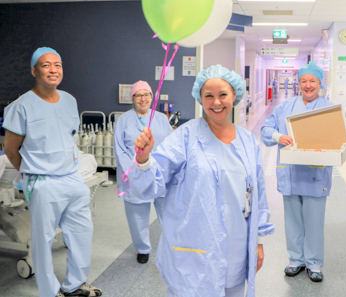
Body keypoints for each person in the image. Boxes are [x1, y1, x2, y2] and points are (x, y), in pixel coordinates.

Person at [129, 64, 275, 297]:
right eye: (209, 96)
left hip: (237, 246)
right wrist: (144, 158)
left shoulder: (248, 141)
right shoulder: (184, 137)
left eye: (222, 95)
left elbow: (258, 195)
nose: (216, 102)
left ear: (234, 95)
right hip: (196, 244)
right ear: (200, 98)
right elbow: (152, 184)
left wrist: (258, 241)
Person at [2, 47, 102, 297]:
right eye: (46, 65)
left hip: (72, 178)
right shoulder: (20, 106)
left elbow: (70, 137)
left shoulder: (69, 100)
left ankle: (75, 285)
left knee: (81, 233)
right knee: (43, 241)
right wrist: (31, 174)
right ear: (34, 70)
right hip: (43, 182)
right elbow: (11, 149)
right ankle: (49, 292)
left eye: (57, 64)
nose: (53, 69)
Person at [261, 61, 337, 282]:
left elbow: (336, 138)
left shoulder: (329, 108)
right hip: (291, 172)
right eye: (303, 81)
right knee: (293, 219)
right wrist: (278, 137)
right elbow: (267, 129)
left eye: (312, 81)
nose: (308, 85)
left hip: (316, 174)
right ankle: (296, 260)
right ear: (298, 83)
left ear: (320, 83)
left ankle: (314, 263)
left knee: (314, 221)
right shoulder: (285, 107)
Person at [114, 80, 173, 264]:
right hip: (135, 174)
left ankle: (172, 245)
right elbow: (120, 150)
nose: (143, 99)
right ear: (132, 98)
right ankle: (143, 248)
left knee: (169, 211)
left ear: (151, 97)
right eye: (138, 95)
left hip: (160, 174)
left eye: (146, 95)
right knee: (137, 214)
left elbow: (171, 144)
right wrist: (132, 172)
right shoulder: (123, 120)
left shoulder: (162, 118)